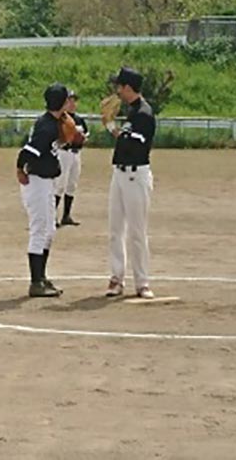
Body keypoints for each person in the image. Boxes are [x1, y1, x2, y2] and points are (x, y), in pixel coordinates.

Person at [16, 83, 76, 298]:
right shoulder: (47, 126)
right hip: (37, 182)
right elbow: (28, 151)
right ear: (62, 102)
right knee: (40, 230)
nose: (70, 102)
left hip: (46, 182)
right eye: (67, 99)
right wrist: (19, 168)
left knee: (49, 230)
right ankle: (35, 283)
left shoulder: (54, 122)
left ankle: (41, 277)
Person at [103, 68, 157, 300]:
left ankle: (142, 282)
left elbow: (132, 144)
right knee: (115, 229)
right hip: (119, 174)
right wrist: (111, 125)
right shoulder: (132, 111)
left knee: (137, 231)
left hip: (136, 175)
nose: (117, 91)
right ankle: (116, 278)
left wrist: (110, 126)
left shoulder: (144, 113)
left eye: (120, 86)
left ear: (128, 87)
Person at [54, 91, 89, 228]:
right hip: (64, 153)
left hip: (76, 153)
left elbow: (85, 135)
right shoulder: (61, 119)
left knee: (72, 184)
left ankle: (66, 215)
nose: (72, 104)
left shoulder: (79, 120)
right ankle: (52, 216)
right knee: (60, 184)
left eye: (74, 101)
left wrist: (82, 138)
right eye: (69, 101)